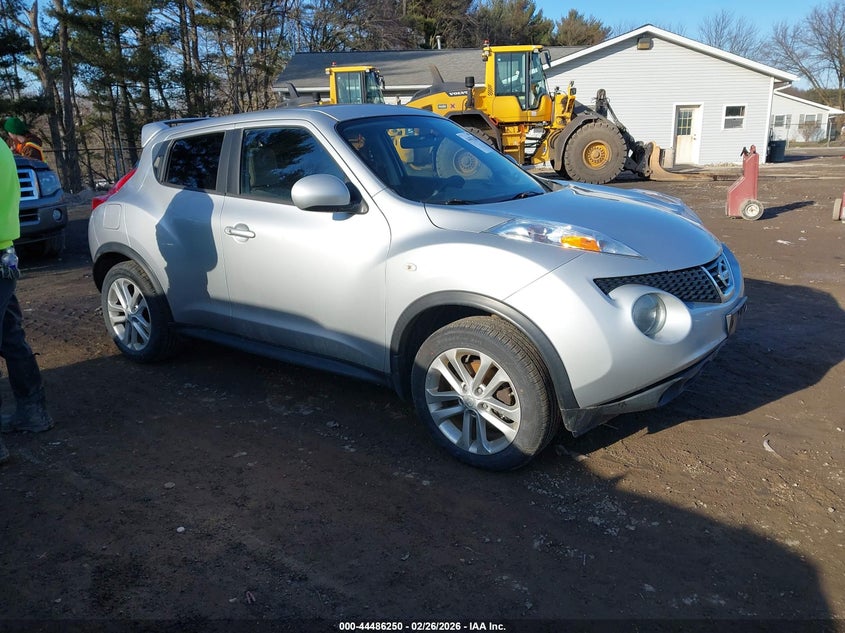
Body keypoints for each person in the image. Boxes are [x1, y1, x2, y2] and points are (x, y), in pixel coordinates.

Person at [0, 140, 53, 464]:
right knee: (9, 334)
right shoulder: (3, 148)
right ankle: (32, 411)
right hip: (5, 254)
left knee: (9, 333)